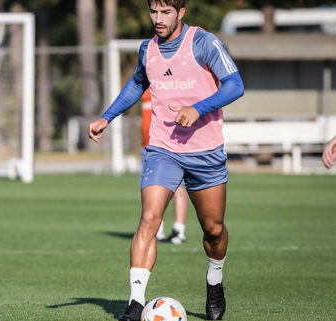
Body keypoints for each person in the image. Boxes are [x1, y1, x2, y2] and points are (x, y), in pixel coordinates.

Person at [88, 0, 244, 320]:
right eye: (153, 12)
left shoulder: (204, 43)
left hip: (206, 151)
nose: (157, 19)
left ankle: (214, 280)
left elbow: (236, 85)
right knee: (149, 217)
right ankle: (134, 303)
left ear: (180, 13)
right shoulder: (148, 49)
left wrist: (198, 108)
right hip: (163, 148)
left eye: (165, 13)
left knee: (213, 230)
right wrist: (107, 117)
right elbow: (137, 83)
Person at [142, 89, 188, 244]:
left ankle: (179, 230)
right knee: (151, 189)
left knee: (178, 187)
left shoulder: (169, 83)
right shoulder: (148, 78)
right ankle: (157, 229)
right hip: (148, 146)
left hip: (169, 146)